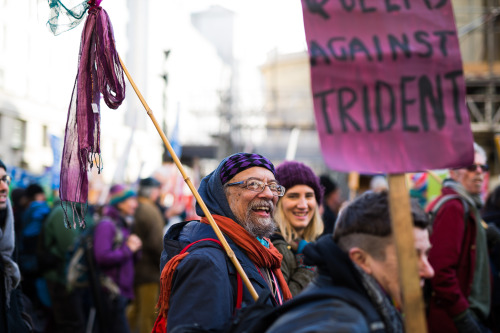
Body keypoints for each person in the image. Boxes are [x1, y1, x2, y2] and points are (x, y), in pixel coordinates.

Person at [154, 152, 292, 332]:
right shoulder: (205, 261)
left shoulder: (262, 252)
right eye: (254, 184)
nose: (268, 194)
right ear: (222, 195)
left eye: (273, 187)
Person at [266, 191, 434, 333]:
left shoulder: (370, 305)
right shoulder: (338, 324)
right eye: (412, 256)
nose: (429, 271)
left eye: (426, 254)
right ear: (361, 260)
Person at [427, 143, 491, 333]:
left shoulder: (467, 206)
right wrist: (462, 316)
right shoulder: (454, 207)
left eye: (483, 167)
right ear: (453, 173)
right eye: (471, 167)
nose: (479, 172)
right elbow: (441, 270)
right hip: (451, 321)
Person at [93, 184, 142, 333]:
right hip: (111, 292)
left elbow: (130, 258)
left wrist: (135, 249)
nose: (136, 204)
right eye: (131, 200)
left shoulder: (122, 224)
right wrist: (129, 249)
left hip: (120, 292)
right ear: (120, 202)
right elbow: (102, 257)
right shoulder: (107, 225)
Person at [42, 198, 95, 333]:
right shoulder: (62, 212)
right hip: (61, 276)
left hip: (70, 275)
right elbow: (70, 246)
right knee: (69, 322)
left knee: (70, 320)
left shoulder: (76, 210)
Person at [272, 161, 324, 296]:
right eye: (293, 196)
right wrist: (308, 267)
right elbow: (281, 304)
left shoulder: (306, 245)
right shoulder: (276, 248)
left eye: (309, 196)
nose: (303, 205)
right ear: (277, 203)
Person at [127, 177, 165, 333]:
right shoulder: (149, 210)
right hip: (148, 270)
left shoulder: (140, 207)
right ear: (152, 192)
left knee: (136, 309)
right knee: (147, 315)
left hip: (139, 268)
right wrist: (165, 263)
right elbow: (156, 244)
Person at [0, 159, 30, 332]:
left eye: (5, 179)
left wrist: (20, 322)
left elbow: (14, 286)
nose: (4, 187)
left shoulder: (7, 226)